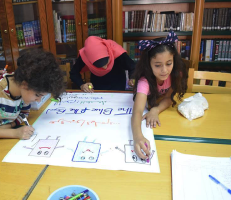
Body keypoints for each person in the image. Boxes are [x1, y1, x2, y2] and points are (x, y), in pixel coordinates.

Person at [0, 48, 65, 148]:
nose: (39, 100)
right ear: (24, 84)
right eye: (37, 95)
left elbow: (23, 115)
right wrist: (14, 133)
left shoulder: (23, 90)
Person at [131, 31, 188, 160]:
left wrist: (156, 109)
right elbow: (138, 111)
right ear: (149, 65)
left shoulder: (175, 75)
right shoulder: (144, 82)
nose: (164, 70)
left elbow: (169, 98)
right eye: (157, 65)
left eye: (169, 63)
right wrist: (138, 136)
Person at [70, 36, 135, 92]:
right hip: (97, 88)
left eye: (107, 62)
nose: (105, 68)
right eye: (99, 66)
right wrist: (82, 85)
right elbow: (73, 73)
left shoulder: (117, 51)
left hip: (118, 86)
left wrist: (132, 78)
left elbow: (133, 67)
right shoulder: (85, 55)